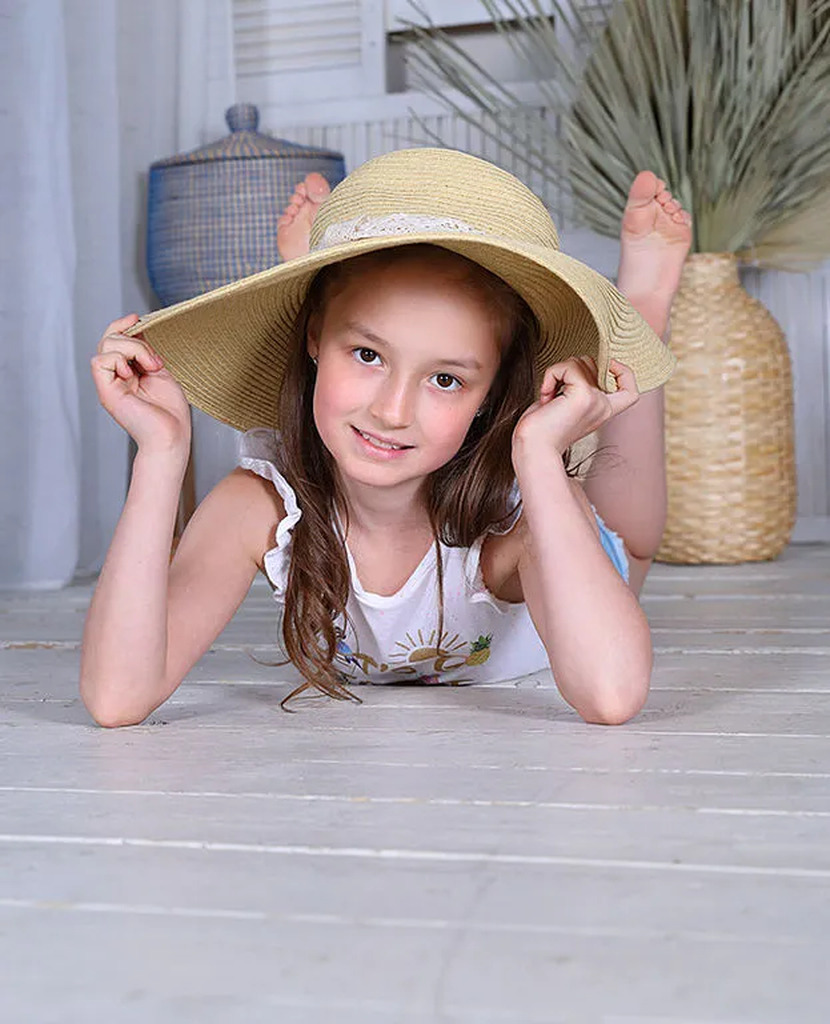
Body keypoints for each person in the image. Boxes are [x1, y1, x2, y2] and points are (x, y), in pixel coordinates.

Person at [82, 147, 691, 729]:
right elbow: (117, 697)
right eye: (367, 353)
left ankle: (641, 308)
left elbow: (610, 695)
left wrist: (537, 457)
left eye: (447, 378)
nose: (392, 411)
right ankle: (322, 267)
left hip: (574, 555)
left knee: (630, 538)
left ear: (492, 394)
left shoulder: (523, 515)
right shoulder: (260, 508)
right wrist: (160, 456)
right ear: (313, 337)